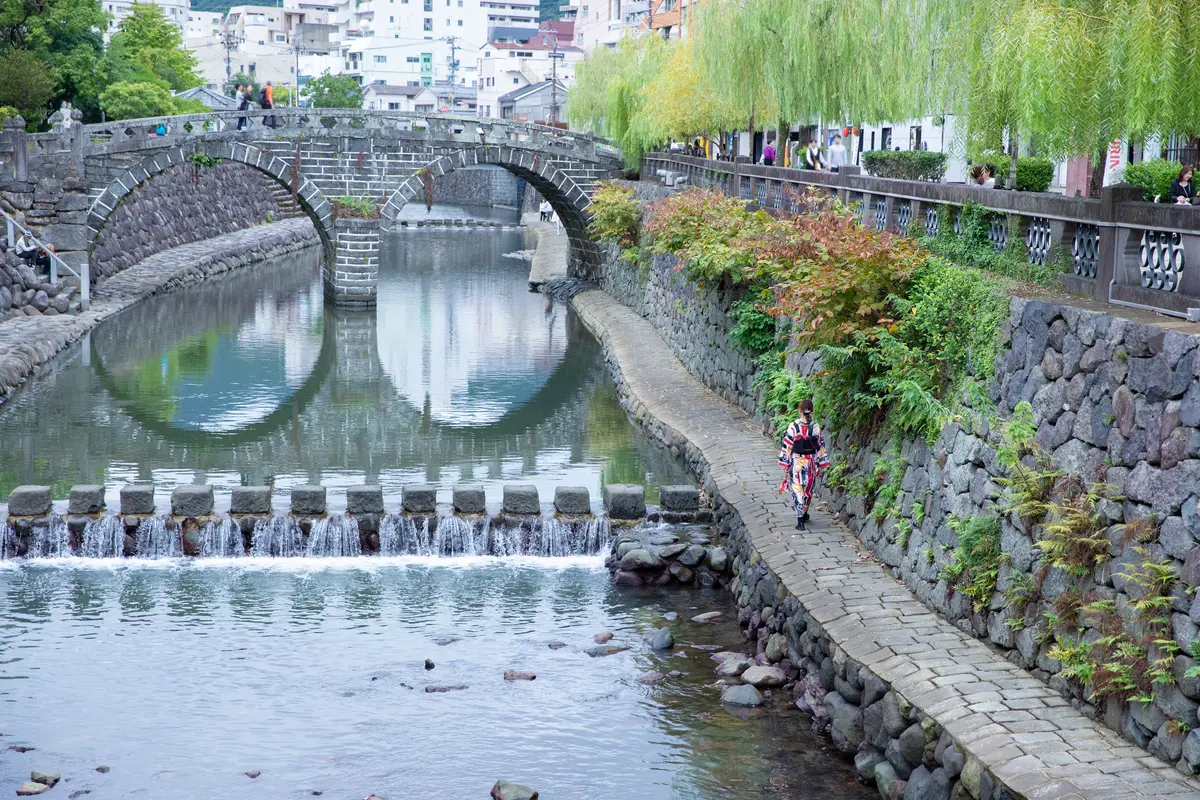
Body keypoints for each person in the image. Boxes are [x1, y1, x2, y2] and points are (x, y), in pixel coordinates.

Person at [777, 399, 829, 531]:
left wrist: (786, 464)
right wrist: (819, 464)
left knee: (797, 489)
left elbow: (788, 446)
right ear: (812, 411)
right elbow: (820, 447)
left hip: (797, 462)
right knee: (808, 491)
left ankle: (800, 519)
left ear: (799, 410)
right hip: (810, 462)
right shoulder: (816, 427)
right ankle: (805, 513)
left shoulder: (793, 426)